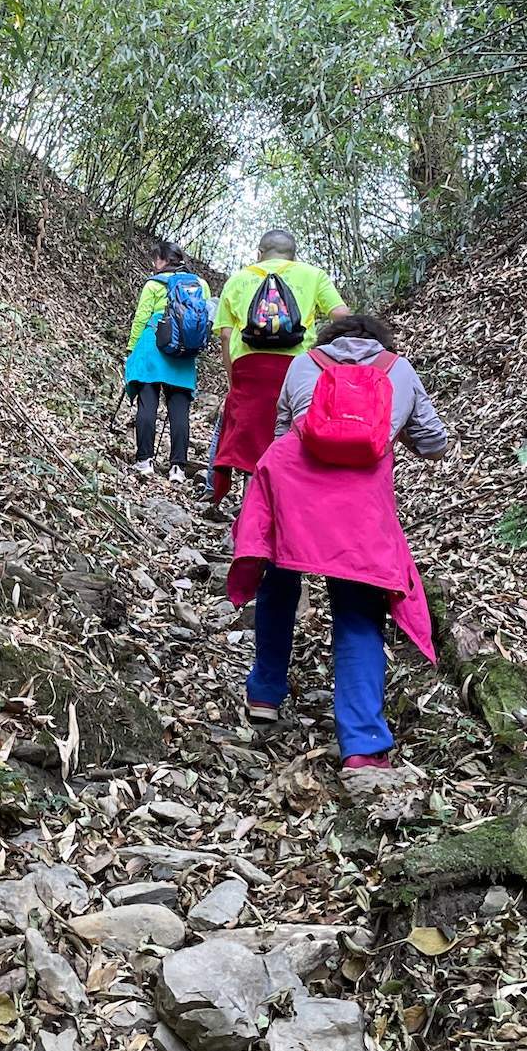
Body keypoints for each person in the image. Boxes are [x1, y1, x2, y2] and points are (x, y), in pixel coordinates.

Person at [225, 311, 449, 810]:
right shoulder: (400, 370)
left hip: (295, 490)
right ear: (378, 341)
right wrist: (399, 430)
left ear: (331, 339)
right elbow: (436, 444)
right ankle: (364, 746)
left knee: (279, 581)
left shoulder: (303, 364)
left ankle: (264, 694)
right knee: (358, 609)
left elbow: (284, 431)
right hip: (359, 503)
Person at [209, 229, 349, 505]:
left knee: (252, 443)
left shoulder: (238, 279)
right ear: (294, 256)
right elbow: (342, 317)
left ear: (259, 254)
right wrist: (326, 358)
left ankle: (248, 516)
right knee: (291, 436)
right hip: (300, 368)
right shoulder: (313, 275)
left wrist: (232, 379)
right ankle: (288, 511)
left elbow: (225, 335)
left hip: (249, 370)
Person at [122, 243, 210, 480]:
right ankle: (178, 469)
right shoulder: (199, 285)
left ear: (162, 260)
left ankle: (144, 461)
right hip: (183, 351)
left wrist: (131, 349)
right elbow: (204, 321)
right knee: (179, 411)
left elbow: (141, 318)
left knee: (147, 404)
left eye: (155, 260)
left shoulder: (153, 284)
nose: (154, 265)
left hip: (153, 345)